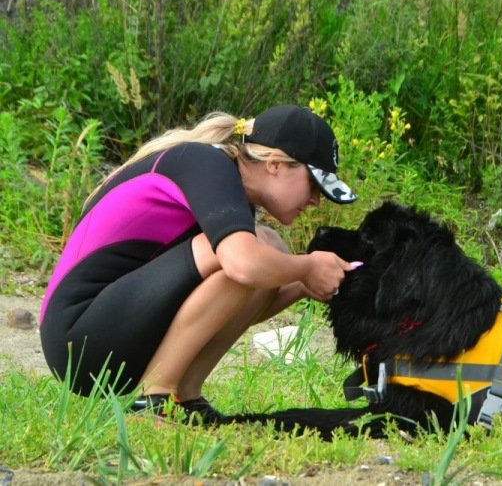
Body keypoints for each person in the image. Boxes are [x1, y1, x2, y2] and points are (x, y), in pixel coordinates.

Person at [39, 104, 358, 423]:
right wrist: (305, 267)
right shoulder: (206, 164)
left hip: (116, 329)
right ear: (275, 164)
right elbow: (242, 266)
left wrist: (302, 285)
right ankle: (153, 398)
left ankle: (184, 396)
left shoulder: (234, 198)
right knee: (254, 249)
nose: (316, 200)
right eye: (314, 185)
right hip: (77, 336)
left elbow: (232, 304)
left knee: (267, 250)